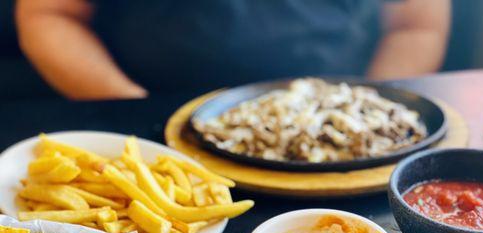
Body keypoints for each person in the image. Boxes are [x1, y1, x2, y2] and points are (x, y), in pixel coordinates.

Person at [15, 0, 450, 100]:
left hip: (341, 127)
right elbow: (50, 14)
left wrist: (364, 111)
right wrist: (128, 108)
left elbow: (416, 25)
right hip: (140, 116)